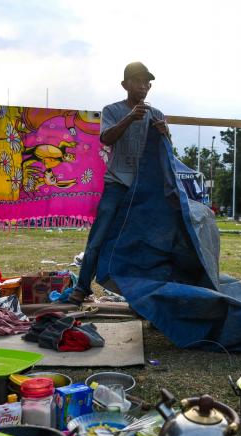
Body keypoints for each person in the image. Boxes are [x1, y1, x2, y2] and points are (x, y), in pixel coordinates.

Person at [69, 62, 169, 304]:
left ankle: (139, 294)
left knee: (143, 242)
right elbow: (106, 138)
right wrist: (128, 118)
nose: (143, 86)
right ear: (125, 85)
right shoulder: (112, 110)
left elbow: (166, 152)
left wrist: (166, 134)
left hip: (143, 190)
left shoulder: (156, 115)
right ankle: (82, 288)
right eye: (138, 81)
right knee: (98, 238)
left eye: (147, 83)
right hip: (117, 184)